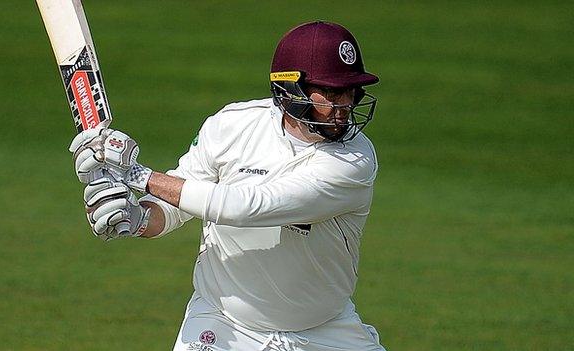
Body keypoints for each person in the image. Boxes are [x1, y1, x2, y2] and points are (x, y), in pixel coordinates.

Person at [70, 21, 385, 351]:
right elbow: (177, 202)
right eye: (332, 93)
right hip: (223, 324)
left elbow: (244, 207)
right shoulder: (232, 125)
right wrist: (138, 219)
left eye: (351, 91)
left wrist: (137, 176)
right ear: (292, 91)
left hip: (324, 331)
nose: (345, 106)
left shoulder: (353, 162)